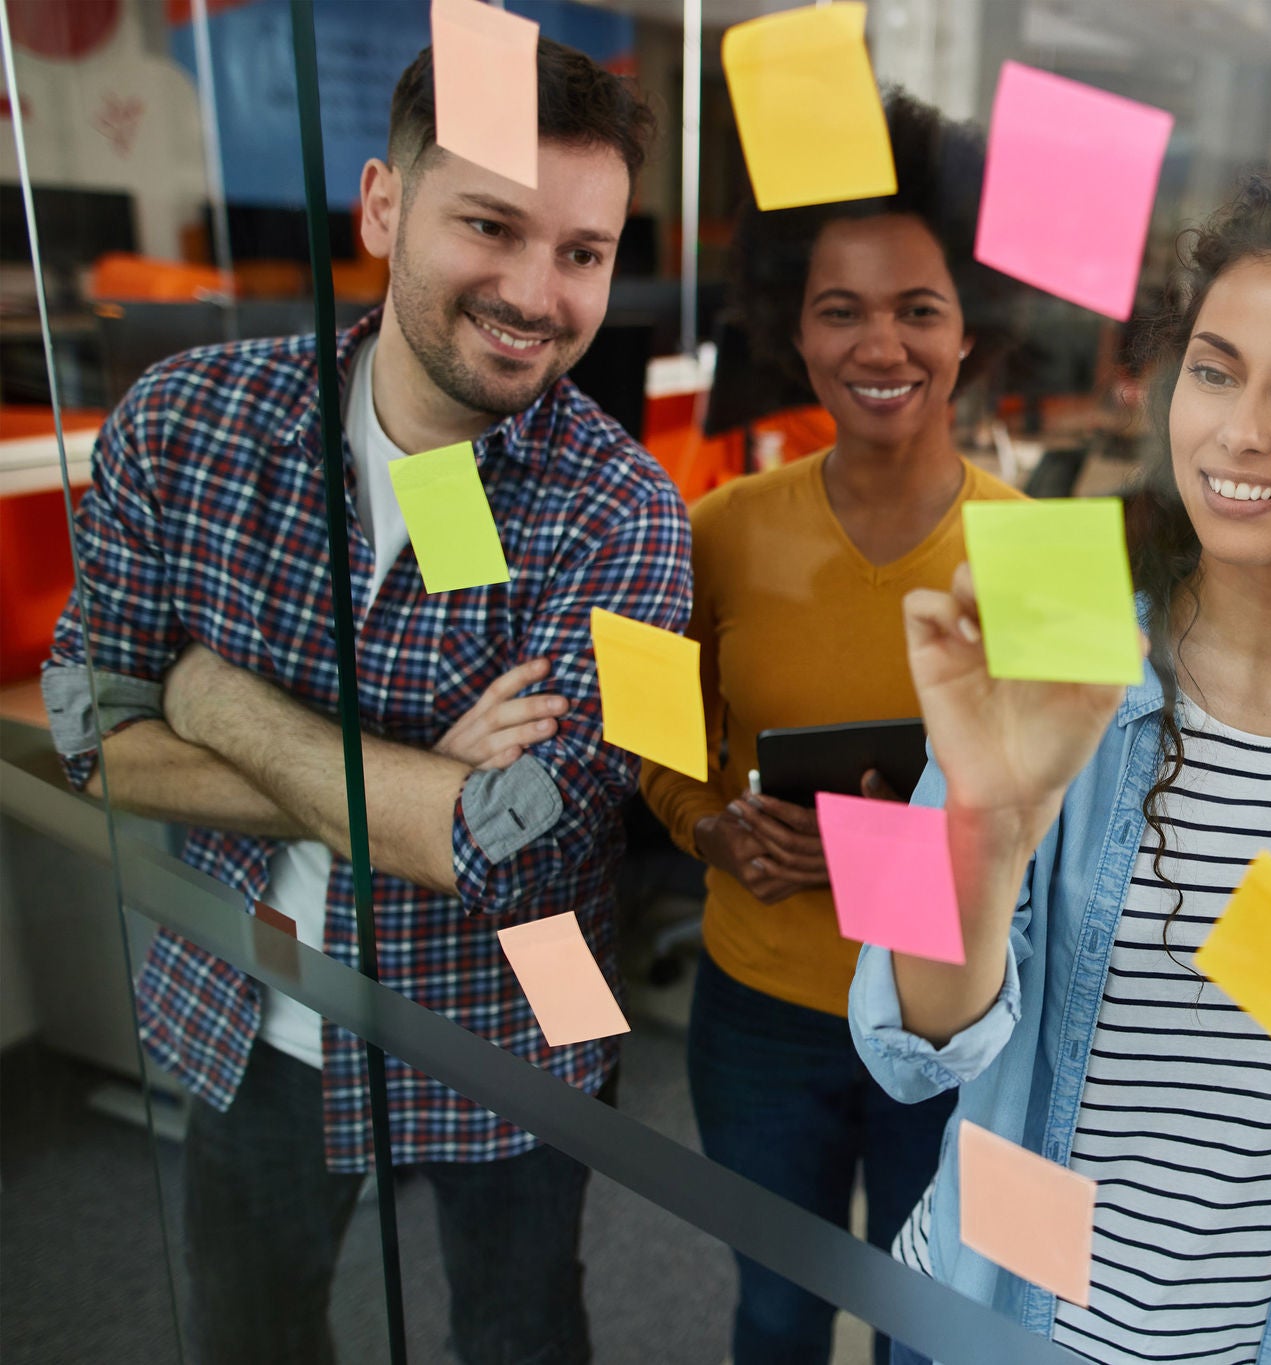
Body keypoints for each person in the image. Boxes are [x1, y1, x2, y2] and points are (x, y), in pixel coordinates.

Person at [40, 40, 686, 1365]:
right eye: (490, 225)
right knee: (251, 1334)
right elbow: (85, 736)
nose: (533, 291)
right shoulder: (188, 424)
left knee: (520, 1336)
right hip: (251, 1007)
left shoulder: (626, 514)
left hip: (514, 1028)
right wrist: (408, 781)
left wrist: (213, 702)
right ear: (384, 208)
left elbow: (518, 839)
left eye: (581, 250)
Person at [851, 177, 1271, 1365]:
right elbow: (902, 1041)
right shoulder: (1049, 639)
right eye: (1214, 372)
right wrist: (989, 817)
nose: (1242, 431)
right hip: (1000, 1319)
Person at [638, 93, 1024, 1365]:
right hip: (760, 1015)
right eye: (840, 308)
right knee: (775, 1313)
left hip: (951, 1021)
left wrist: (867, 862)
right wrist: (712, 834)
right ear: (792, 333)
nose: (882, 342)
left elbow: (1070, 827)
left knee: (933, 1325)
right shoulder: (715, 530)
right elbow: (656, 748)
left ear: (967, 330)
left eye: (918, 307)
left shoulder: (1044, 552)